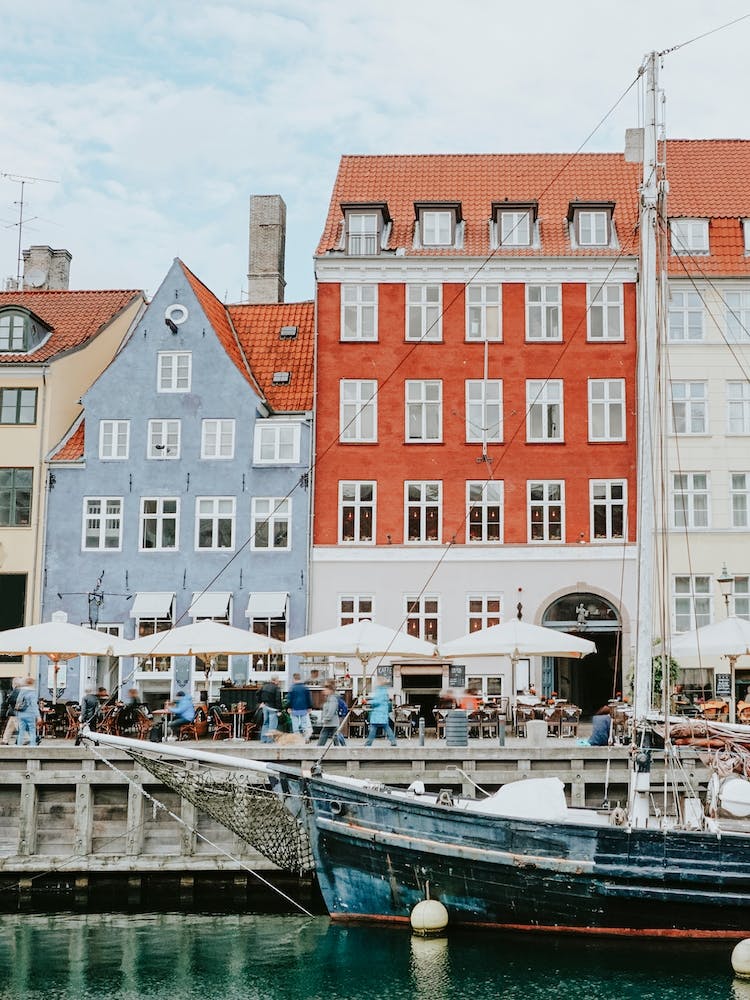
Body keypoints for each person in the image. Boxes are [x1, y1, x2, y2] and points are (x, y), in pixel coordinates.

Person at [364, 678, 397, 747]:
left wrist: (367, 702)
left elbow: (377, 701)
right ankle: (393, 741)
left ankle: (368, 743)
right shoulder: (384, 691)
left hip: (378, 713)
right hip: (382, 713)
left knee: (373, 728)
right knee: (386, 728)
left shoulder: (379, 691)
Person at [318, 681, 346, 746]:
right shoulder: (328, 698)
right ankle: (342, 749)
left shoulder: (332, 699)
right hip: (330, 723)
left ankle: (318, 750)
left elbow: (331, 711)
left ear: (330, 690)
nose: (323, 691)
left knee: (326, 739)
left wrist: (324, 719)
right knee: (335, 738)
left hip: (331, 722)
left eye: (325, 689)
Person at [15, 677, 41, 747]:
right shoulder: (32, 692)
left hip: (21, 714)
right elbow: (34, 705)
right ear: (32, 683)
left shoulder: (21, 692)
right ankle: (32, 747)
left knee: (21, 732)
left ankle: (18, 747)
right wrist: (38, 716)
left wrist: (17, 714)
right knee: (32, 731)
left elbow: (18, 703)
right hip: (30, 714)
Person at [286, 673, 313, 740]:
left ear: (293, 679)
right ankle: (306, 738)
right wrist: (309, 707)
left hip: (294, 708)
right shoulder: (305, 688)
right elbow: (308, 698)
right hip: (304, 708)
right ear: (300, 678)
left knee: (295, 724)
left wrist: (288, 707)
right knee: (304, 724)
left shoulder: (292, 688)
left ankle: (297, 738)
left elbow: (289, 699)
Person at [259, 675, 282, 743]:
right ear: (276, 680)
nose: (278, 681)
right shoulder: (276, 688)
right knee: (272, 724)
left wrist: (261, 702)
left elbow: (257, 694)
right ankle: (270, 740)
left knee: (265, 723)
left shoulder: (264, 686)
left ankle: (263, 739)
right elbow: (278, 699)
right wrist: (279, 710)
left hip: (265, 706)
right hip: (273, 708)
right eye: (278, 680)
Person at [1, 677, 24, 745]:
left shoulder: (16, 690)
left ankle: (27, 738)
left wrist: (8, 699)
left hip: (15, 711)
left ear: (14, 684)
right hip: (17, 711)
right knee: (10, 726)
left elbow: (10, 700)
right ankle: (5, 740)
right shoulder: (22, 690)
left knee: (19, 726)